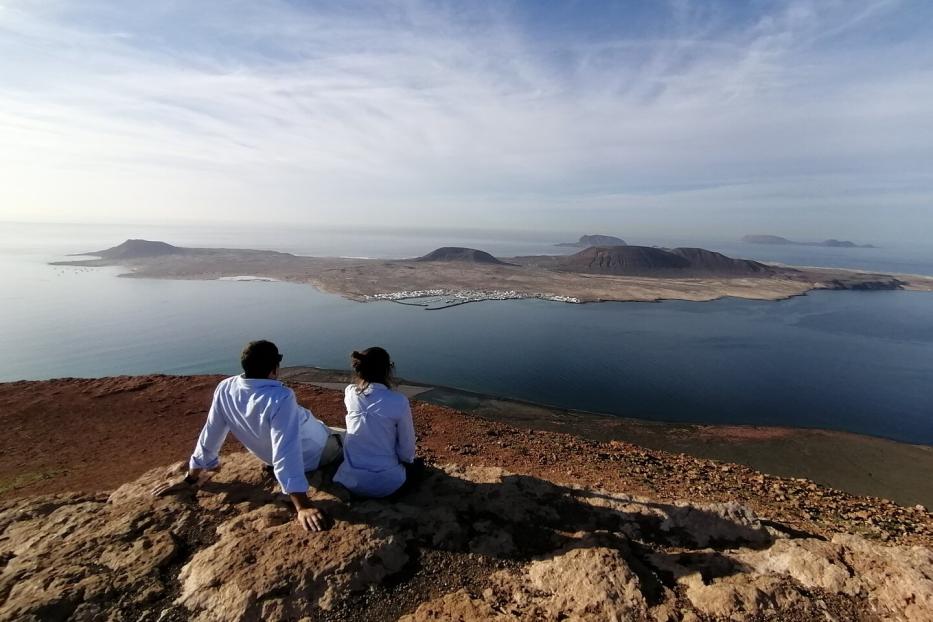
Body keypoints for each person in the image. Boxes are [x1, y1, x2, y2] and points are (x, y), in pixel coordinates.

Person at [152, 340, 343, 531]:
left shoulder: (226, 388)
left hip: (276, 456)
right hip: (316, 453)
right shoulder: (280, 397)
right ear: (274, 369)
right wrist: (302, 505)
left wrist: (192, 477)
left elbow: (211, 432)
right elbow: (286, 449)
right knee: (352, 437)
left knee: (325, 426)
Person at [333, 347, 418, 498]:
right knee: (417, 468)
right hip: (388, 484)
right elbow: (407, 450)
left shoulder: (350, 393)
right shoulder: (398, 401)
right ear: (387, 370)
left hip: (350, 480)